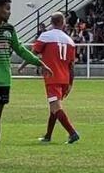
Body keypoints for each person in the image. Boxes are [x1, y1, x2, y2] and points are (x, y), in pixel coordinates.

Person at [0, 0, 52, 166]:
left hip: (3, 81)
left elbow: (21, 49)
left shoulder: (9, 29)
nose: (9, 12)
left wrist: (40, 62)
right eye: (7, 8)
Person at [18, 12, 79, 144]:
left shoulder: (45, 36)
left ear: (51, 23)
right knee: (54, 108)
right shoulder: (70, 41)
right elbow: (72, 65)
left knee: (56, 108)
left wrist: (22, 65)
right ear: (63, 23)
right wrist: (70, 84)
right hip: (65, 79)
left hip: (52, 78)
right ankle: (48, 136)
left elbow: (32, 54)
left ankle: (72, 133)